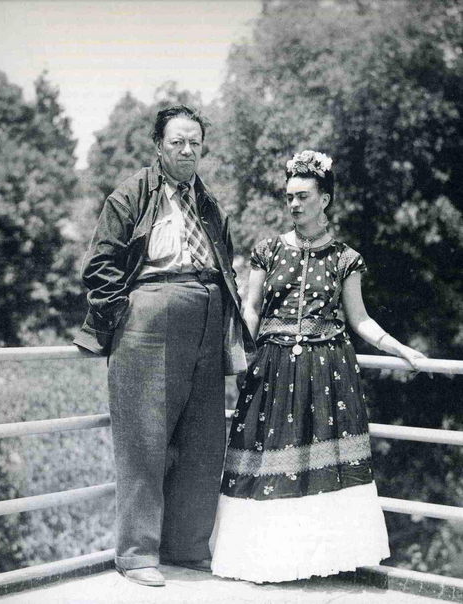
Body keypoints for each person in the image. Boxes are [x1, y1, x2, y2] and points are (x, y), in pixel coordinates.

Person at [210, 150, 426, 583]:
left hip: (327, 374)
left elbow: (360, 320)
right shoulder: (268, 250)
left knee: (319, 468)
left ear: (324, 199)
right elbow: (251, 309)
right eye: (289, 196)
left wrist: (403, 350)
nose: (294, 204)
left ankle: (311, 562)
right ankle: (265, 560)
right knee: (265, 463)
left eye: (303, 196)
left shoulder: (346, 259)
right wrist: (237, 356)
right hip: (271, 372)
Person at [74, 105, 254, 587]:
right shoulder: (131, 194)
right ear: (158, 146)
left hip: (208, 316)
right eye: (177, 142)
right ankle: (136, 555)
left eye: (195, 142)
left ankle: (188, 547)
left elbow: (227, 264)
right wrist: (129, 312)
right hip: (150, 316)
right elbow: (99, 265)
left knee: (203, 440)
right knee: (144, 439)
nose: (187, 150)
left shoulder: (209, 203)